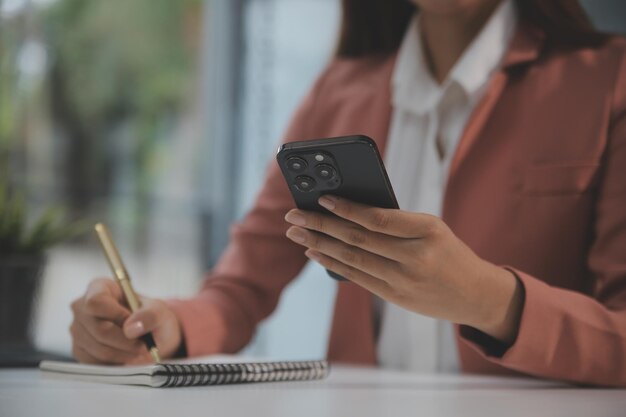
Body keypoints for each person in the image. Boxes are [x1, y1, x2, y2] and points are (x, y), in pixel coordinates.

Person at [69, 0, 626, 386]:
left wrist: (491, 300)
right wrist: (165, 324)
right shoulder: (340, 88)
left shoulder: (605, 79)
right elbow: (239, 290)